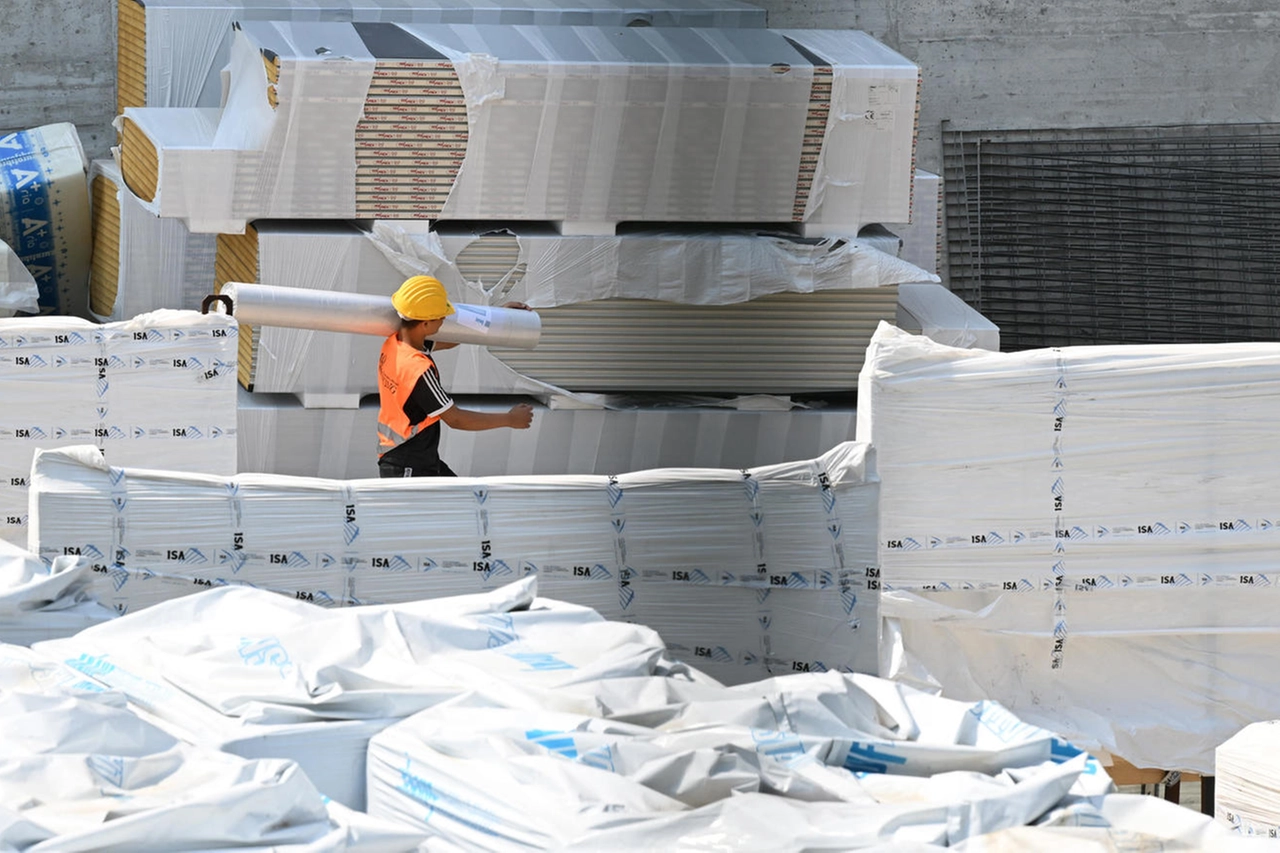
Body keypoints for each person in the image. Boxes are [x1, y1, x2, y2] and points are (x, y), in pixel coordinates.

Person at [377, 275, 534, 477]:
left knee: (464, 499)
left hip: (411, 456)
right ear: (425, 324)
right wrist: (510, 419)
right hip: (409, 465)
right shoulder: (418, 371)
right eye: (441, 316)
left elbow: (453, 340)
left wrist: (499, 315)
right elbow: (456, 419)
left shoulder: (396, 344)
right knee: (458, 504)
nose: (444, 320)